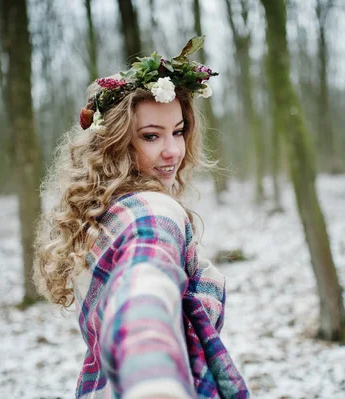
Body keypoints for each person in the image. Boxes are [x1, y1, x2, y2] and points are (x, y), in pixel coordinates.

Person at [33, 37, 249, 399]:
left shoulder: (106, 211)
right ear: (116, 142)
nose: (173, 150)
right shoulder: (152, 211)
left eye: (178, 131)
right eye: (151, 136)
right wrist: (155, 385)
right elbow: (145, 294)